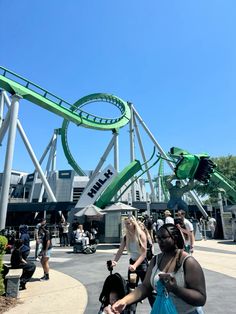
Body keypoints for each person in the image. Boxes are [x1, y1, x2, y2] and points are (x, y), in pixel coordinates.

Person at [112, 223, 206, 314]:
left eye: (164, 238)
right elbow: (145, 286)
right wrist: (124, 301)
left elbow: (201, 298)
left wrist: (175, 289)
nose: (160, 241)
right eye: (158, 238)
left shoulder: (188, 262)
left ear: (175, 238)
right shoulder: (155, 260)